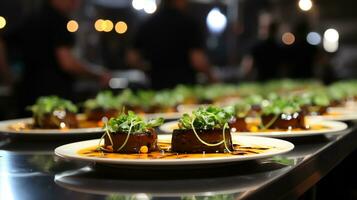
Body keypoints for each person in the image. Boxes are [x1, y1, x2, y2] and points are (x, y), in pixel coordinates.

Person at [0, 0, 111, 116]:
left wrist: (7, 77)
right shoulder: (58, 20)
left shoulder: (32, 17)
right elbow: (67, 63)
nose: (76, 3)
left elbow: (2, 42)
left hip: (27, 96)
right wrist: (98, 75)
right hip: (55, 99)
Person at [127, 0, 217, 90]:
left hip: (157, 88)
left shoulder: (147, 24)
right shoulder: (189, 24)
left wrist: (147, 71)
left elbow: (132, 58)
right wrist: (212, 79)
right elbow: (198, 60)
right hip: (186, 90)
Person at [240, 12, 282, 81]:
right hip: (272, 81)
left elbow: (246, 68)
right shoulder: (279, 46)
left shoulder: (257, 46)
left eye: (264, 27)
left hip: (263, 82)